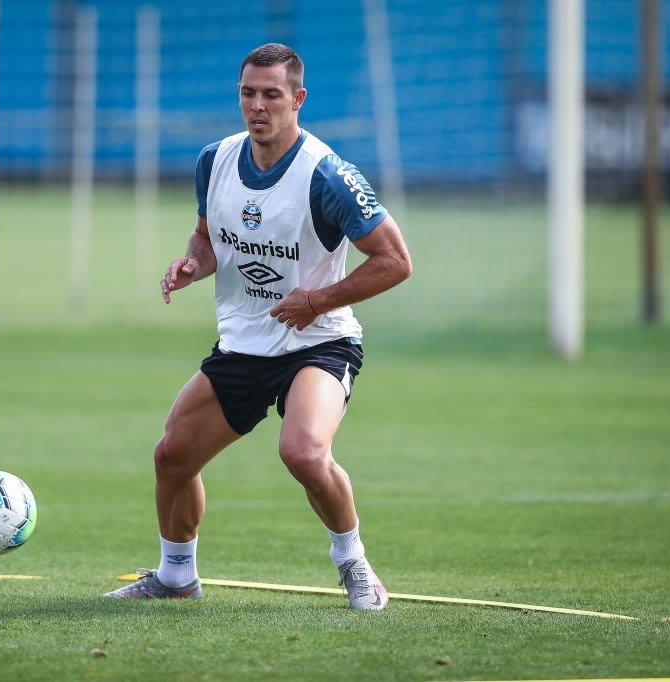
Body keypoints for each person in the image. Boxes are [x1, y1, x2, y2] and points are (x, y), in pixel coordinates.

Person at [105, 43, 412, 610]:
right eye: (248, 93)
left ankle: (355, 564)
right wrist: (193, 262)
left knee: (301, 452)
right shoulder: (214, 160)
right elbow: (208, 237)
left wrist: (317, 300)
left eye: (272, 94)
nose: (257, 105)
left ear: (298, 99)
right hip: (244, 344)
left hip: (318, 341)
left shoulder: (328, 174)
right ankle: (176, 577)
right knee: (172, 456)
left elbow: (396, 261)